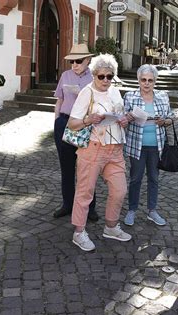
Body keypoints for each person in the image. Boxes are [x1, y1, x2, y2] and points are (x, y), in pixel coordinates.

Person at [67, 53, 131, 252]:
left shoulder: (115, 92)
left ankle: (111, 227)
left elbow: (118, 117)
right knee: (85, 192)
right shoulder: (88, 92)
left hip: (116, 149)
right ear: (93, 75)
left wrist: (124, 120)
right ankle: (79, 232)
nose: (105, 80)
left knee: (120, 190)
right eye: (101, 76)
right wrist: (89, 119)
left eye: (109, 76)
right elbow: (72, 123)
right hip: (93, 149)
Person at [123, 64, 173, 227]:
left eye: (150, 80)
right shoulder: (130, 96)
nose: (146, 83)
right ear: (138, 80)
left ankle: (152, 210)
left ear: (155, 81)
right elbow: (122, 120)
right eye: (143, 80)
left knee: (154, 178)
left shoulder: (163, 96)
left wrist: (164, 121)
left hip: (156, 145)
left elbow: (171, 117)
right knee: (135, 178)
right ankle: (132, 210)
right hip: (136, 145)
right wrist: (128, 117)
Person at [53, 43, 98, 222]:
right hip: (64, 121)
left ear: (88, 60)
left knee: (87, 168)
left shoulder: (94, 79)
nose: (74, 64)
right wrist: (56, 121)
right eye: (72, 61)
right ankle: (67, 204)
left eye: (78, 61)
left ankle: (90, 207)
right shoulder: (65, 75)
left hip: (84, 124)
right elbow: (59, 100)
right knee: (67, 167)